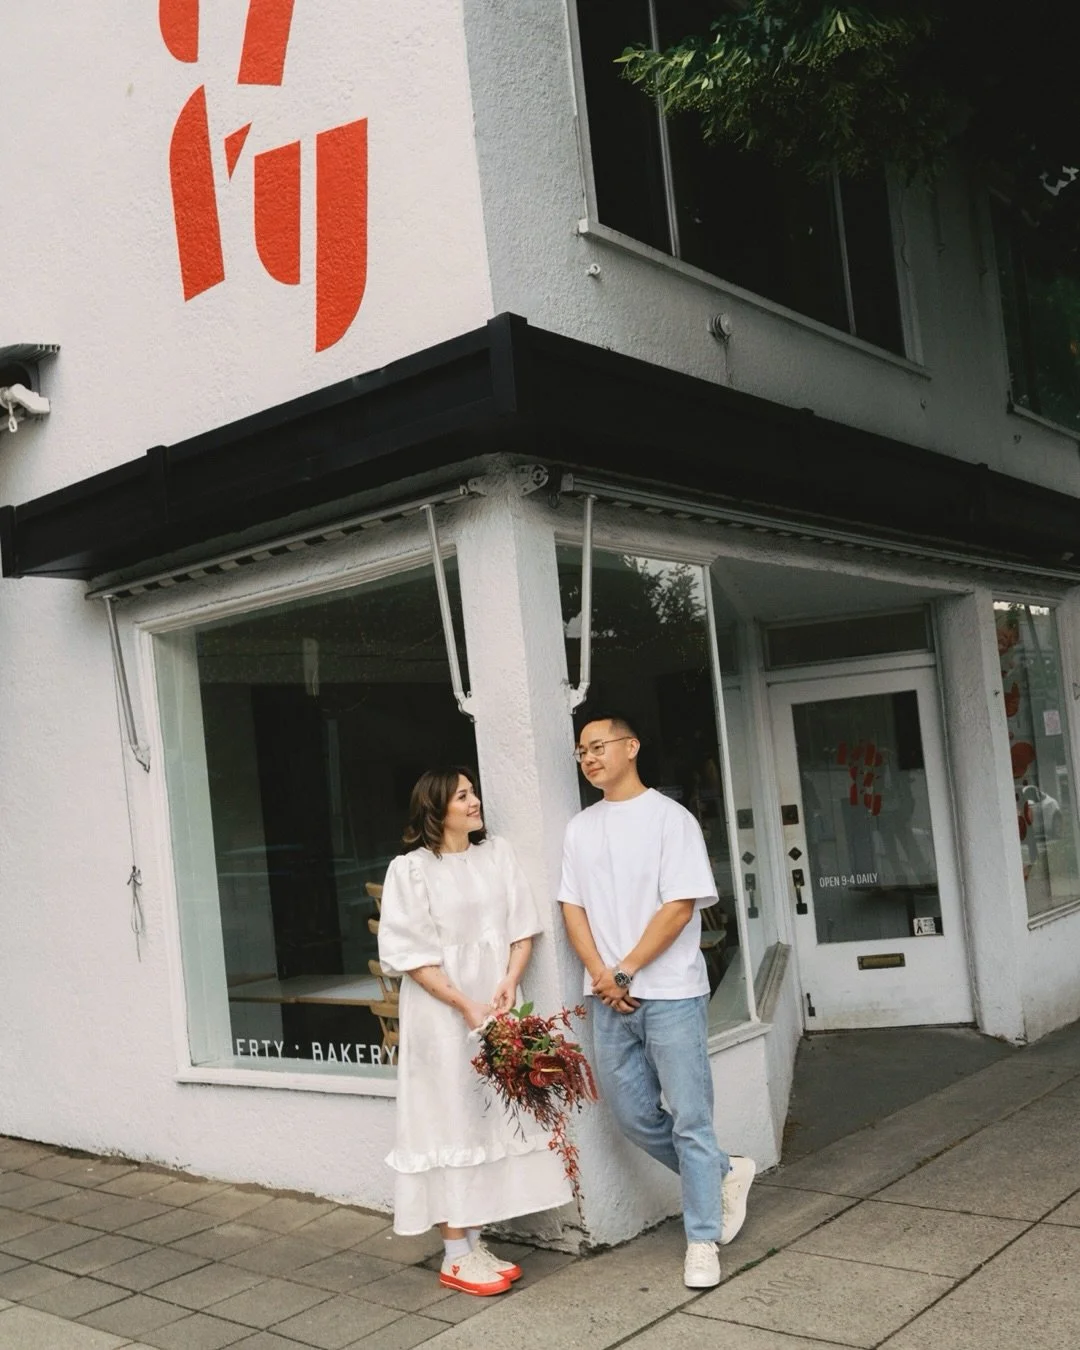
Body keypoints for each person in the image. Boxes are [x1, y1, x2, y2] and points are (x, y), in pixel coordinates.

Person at [559, 715, 756, 1289]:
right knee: (631, 1115)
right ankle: (724, 1171)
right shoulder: (580, 828)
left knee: (691, 1117)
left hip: (669, 992)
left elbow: (679, 907)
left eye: (598, 746)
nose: (589, 757)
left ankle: (702, 1239)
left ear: (631, 746)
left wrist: (626, 970)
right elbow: (572, 907)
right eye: (581, 752)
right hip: (608, 995)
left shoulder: (673, 821)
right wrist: (602, 975)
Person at [378, 766, 571, 1297]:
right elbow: (411, 956)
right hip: (443, 1016)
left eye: (473, 792)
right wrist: (463, 1003)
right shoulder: (411, 871)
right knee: (448, 1119)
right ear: (436, 809)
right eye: (462, 795)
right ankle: (455, 1253)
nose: (475, 801)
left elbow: (520, 928)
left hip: (492, 1007)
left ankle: (474, 1239)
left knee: (485, 1116)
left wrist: (509, 981)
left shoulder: (496, 855)